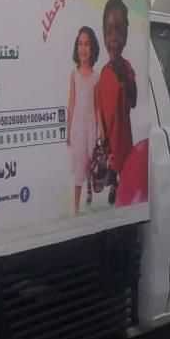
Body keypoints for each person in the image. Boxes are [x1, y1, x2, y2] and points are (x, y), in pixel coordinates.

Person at [96, 0, 136, 206]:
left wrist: (125, 80)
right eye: (109, 30)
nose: (114, 37)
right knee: (113, 166)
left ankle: (120, 187)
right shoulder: (103, 74)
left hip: (124, 135)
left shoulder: (127, 68)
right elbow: (100, 109)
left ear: (126, 34)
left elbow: (133, 100)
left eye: (119, 30)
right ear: (103, 35)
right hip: (109, 137)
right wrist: (103, 136)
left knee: (125, 165)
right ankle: (113, 185)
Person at [67, 26, 100, 215]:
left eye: (87, 44)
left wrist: (100, 130)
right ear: (76, 47)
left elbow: (97, 107)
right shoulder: (74, 74)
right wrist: (68, 129)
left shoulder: (96, 76)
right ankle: (76, 207)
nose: (83, 48)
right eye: (80, 44)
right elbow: (71, 103)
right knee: (80, 164)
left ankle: (90, 190)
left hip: (91, 127)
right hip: (78, 127)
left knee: (90, 161)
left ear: (92, 48)